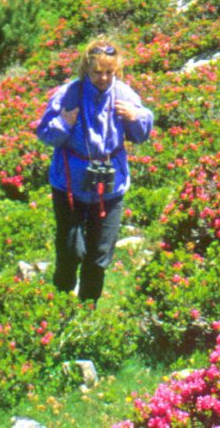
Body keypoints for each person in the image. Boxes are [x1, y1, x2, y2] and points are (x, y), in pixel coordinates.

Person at [32, 40, 154, 302]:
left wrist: (135, 117)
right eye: (98, 72)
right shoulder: (69, 94)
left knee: (99, 255)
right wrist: (63, 123)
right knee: (71, 251)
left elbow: (142, 134)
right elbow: (45, 133)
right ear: (86, 68)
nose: (104, 78)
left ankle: (87, 309)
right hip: (69, 185)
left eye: (109, 72)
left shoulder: (124, 95)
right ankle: (61, 302)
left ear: (117, 70)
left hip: (110, 185)